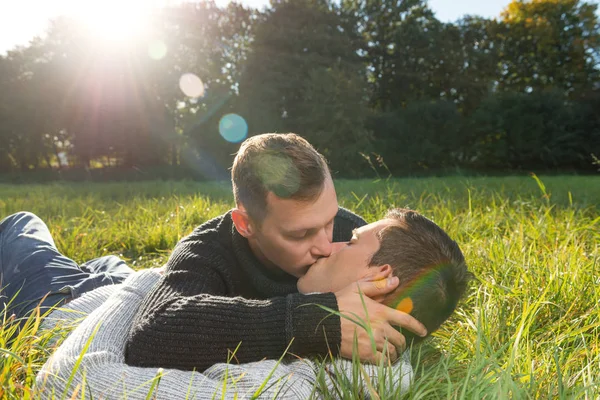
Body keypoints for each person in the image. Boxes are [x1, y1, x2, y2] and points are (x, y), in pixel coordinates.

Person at [36, 207, 470, 399]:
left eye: (351, 242)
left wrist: (148, 284)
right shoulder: (386, 363)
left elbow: (67, 383)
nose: (333, 242)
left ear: (378, 279)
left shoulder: (288, 389)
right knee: (109, 266)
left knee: (25, 230)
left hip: (58, 302)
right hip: (113, 286)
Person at [125, 133, 427, 371]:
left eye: (329, 219)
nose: (326, 245)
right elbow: (151, 334)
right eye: (300, 234)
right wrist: (317, 322)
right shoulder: (207, 250)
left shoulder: (349, 233)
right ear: (245, 225)